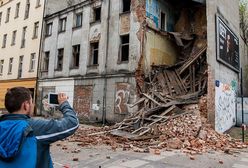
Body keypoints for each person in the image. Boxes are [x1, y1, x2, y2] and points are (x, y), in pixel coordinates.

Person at [0, 87, 79, 168]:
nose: (33, 105)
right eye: (31, 102)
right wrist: (64, 103)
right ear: (26, 105)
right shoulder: (34, 127)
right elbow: (72, 123)